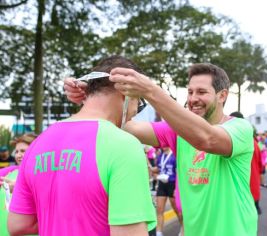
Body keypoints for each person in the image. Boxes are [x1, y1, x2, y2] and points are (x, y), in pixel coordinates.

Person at [64, 63, 258, 236]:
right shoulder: (178, 132)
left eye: (201, 92)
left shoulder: (240, 128)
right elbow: (124, 125)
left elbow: (207, 139)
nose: (193, 98)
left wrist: (150, 90)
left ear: (222, 95)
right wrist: (91, 100)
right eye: (190, 92)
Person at [8, 55, 156, 236]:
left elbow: (18, 225)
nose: (134, 113)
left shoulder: (38, 143)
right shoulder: (124, 145)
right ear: (126, 93)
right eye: (138, 103)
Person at [0, 133, 37, 236]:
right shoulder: (11, 171)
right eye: (16, 151)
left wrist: (18, 188)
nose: (18, 155)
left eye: (23, 151)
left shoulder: (42, 175)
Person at [230, 111, 263, 215]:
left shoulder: (234, 142)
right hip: (253, 190)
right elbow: (260, 166)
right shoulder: (254, 142)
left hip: (241, 192)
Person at [152, 147, 181, 236]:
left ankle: (183, 228)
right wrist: (151, 169)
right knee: (159, 209)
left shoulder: (174, 155)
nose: (162, 146)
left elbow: (179, 172)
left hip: (172, 184)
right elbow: (158, 169)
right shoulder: (160, 155)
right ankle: (159, 233)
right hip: (162, 184)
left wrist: (177, 189)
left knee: (177, 210)